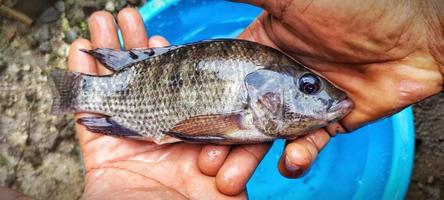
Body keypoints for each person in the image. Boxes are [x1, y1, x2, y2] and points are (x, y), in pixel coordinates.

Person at [4, 1, 442, 199]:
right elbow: (204, 126)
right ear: (262, 93)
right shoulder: (244, 112)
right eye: (308, 86)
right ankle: (74, 91)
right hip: (132, 94)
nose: (326, 96)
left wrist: (425, 34)